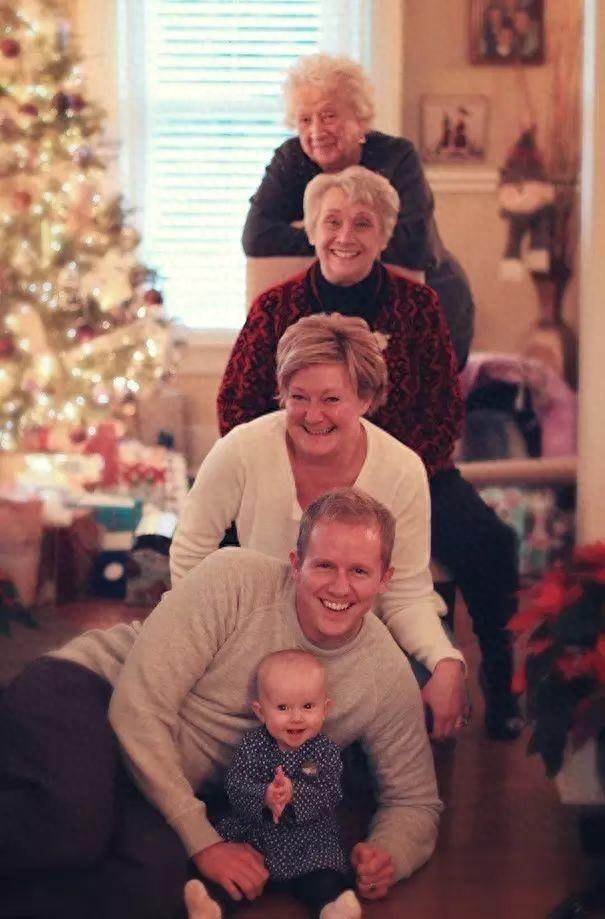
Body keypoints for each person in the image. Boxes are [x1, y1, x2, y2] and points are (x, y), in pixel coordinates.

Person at [0, 489, 441, 918]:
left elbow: (415, 800)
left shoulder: (384, 674)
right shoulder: (232, 580)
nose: (340, 587)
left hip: (153, 771)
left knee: (153, 891)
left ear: (385, 579)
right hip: (91, 691)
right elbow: (137, 708)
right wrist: (205, 842)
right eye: (324, 565)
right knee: (71, 828)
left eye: (359, 571)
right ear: (295, 564)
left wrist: (389, 853)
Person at [218, 165, 523, 741]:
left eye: (362, 224)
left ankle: (498, 681)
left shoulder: (420, 306)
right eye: (331, 222)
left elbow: (443, 410)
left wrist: (384, 475)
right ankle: (244, 682)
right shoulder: (274, 308)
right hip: (293, 473)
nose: (345, 236)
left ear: (384, 236)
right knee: (227, 549)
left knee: (493, 543)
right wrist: (294, 462)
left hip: (408, 476)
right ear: (312, 230)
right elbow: (237, 405)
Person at [171, 311, 468, 740]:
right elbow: (190, 552)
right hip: (258, 638)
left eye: (331, 399)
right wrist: (213, 640)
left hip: (363, 637)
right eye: (299, 397)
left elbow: (406, 593)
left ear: (365, 399)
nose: (313, 416)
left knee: (428, 699)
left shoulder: (403, 470)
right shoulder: (241, 450)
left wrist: (445, 660)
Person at [242, 52, 474, 369]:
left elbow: (414, 245)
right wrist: (338, 242)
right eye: (305, 120)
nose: (316, 131)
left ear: (360, 119)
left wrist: (329, 239)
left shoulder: (397, 157)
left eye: (328, 116)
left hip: (436, 300)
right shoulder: (291, 160)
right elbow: (256, 237)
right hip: (350, 310)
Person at [214, 649, 361, 918]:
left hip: (309, 842)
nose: (296, 717)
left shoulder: (325, 750)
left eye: (308, 707)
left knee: (326, 873)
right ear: (261, 712)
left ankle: (332, 905)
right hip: (257, 838)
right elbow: (235, 784)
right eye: (283, 708)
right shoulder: (253, 745)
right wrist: (265, 795)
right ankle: (212, 905)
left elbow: (330, 793)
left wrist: (295, 793)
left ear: (325, 709)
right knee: (231, 874)